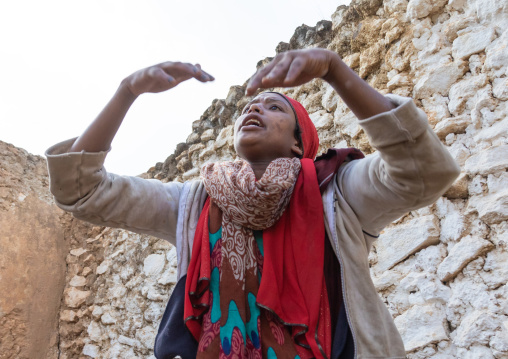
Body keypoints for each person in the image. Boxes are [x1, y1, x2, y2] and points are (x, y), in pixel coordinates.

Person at [46, 48, 460, 359]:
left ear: (300, 142)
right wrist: (127, 91)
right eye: (248, 107)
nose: (255, 109)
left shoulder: (336, 191)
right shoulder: (195, 202)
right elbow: (82, 192)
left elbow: (424, 173)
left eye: (274, 107)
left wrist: (336, 70)